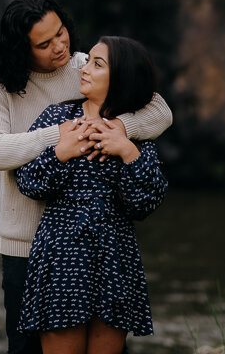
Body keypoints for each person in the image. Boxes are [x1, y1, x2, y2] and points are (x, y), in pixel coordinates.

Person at [0, 0, 172, 354]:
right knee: (25, 348)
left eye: (61, 33)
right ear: (21, 50)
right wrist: (62, 136)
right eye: (44, 44)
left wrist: (114, 131)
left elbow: (159, 111)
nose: (60, 47)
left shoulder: (85, 65)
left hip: (109, 248)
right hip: (30, 244)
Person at [16, 35, 168, 354]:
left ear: (121, 77)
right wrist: (60, 153)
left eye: (97, 64)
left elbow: (145, 203)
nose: (84, 69)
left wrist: (127, 151)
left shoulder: (134, 132)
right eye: (87, 61)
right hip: (61, 253)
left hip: (115, 254)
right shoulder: (57, 119)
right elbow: (28, 183)